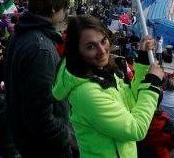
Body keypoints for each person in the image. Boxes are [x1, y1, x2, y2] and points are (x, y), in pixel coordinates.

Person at [52, 15, 164, 158]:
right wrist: (152, 83)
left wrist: (142, 61)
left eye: (103, 41)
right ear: (76, 51)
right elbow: (136, 129)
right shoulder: (87, 93)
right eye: (90, 46)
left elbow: (131, 103)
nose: (102, 51)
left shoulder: (104, 73)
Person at [4, 0, 74, 158]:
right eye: (63, 7)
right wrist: (65, 137)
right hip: (46, 149)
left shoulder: (22, 35)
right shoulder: (40, 49)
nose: (65, 12)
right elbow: (40, 116)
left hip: (27, 141)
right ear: (53, 8)